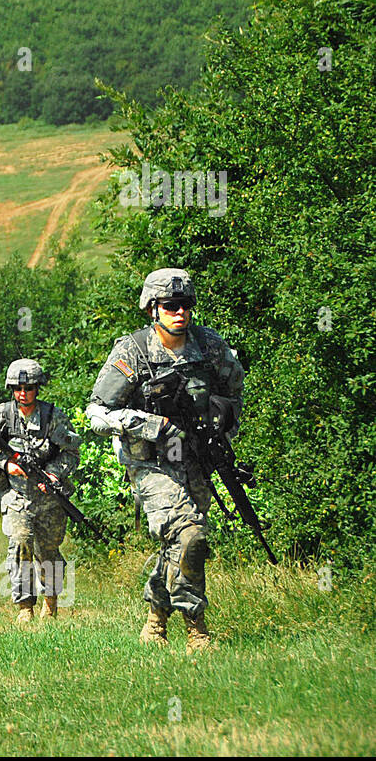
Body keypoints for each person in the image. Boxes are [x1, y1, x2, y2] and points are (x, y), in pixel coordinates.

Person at [86, 267, 244, 652]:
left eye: (186, 304)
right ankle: (197, 630)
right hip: (150, 462)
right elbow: (97, 412)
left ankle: (155, 620)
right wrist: (151, 425)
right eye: (171, 305)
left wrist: (223, 419)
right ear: (152, 308)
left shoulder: (208, 346)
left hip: (196, 457)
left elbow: (234, 388)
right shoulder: (133, 351)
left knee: (182, 544)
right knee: (190, 535)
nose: (180, 313)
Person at [0, 360, 80, 622]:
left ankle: (51, 602)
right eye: (17, 388)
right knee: (20, 544)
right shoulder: (2, 415)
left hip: (48, 498)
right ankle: (25, 606)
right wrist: (7, 464)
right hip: (16, 498)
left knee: (48, 551)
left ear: (38, 388)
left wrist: (53, 473)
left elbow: (72, 453)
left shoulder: (53, 417)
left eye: (29, 388)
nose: (23, 393)